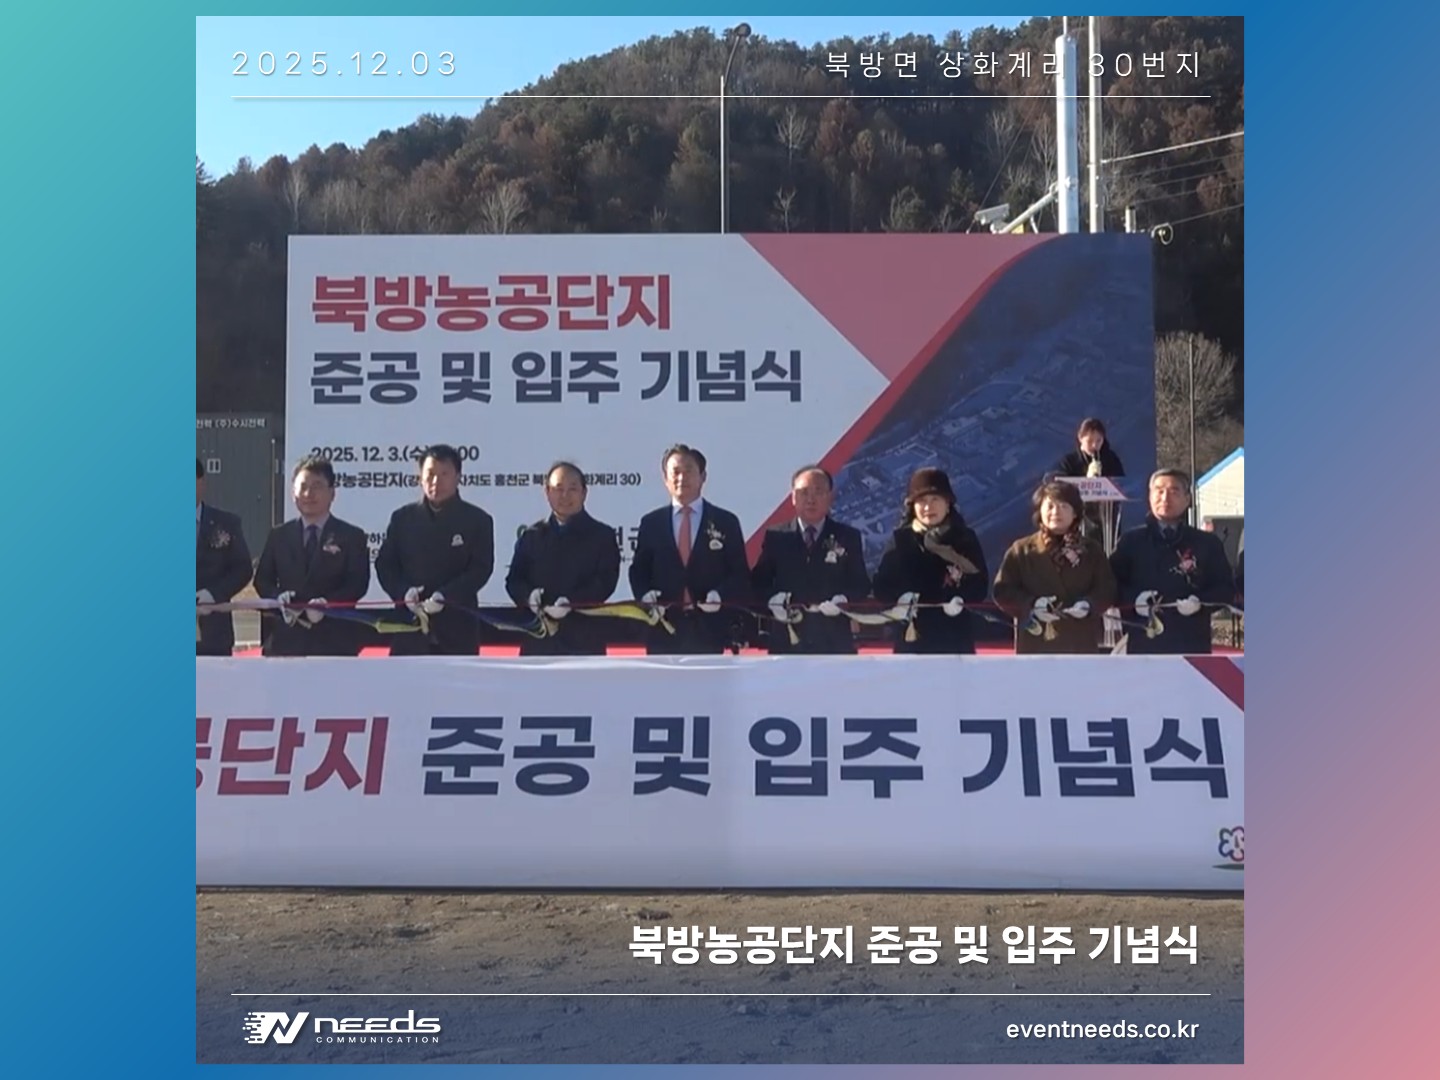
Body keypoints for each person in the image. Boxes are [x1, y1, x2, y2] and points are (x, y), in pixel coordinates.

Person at [629, 444, 750, 654]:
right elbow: (638, 571)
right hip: (663, 627)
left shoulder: (725, 521)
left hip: (710, 628)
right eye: (675, 472)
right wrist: (645, 595)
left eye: (689, 471)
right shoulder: (651, 523)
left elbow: (739, 574)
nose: (681, 478)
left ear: (703, 477)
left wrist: (720, 595)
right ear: (665, 478)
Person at [376, 444, 495, 656]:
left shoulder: (477, 520)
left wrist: (445, 596)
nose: (436, 481)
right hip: (409, 629)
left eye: (444, 474)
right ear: (420, 478)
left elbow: (480, 569)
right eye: (430, 474)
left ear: (458, 477)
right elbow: (386, 565)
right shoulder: (402, 518)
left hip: (458, 631)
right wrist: (403, 593)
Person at [252, 456, 372, 657]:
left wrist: (327, 604)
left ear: (332, 493)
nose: (308, 494)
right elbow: (262, 580)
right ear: (293, 493)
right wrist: (279, 598)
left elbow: (358, 583)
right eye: (303, 487)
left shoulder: (351, 536)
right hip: (286, 639)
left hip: (335, 639)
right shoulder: (279, 535)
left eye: (317, 487)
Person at [1109, 469, 1235, 655]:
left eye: (1174, 491)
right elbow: (1110, 584)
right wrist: (1135, 600)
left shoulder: (1207, 543)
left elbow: (1225, 588)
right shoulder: (1130, 541)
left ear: (1187, 499)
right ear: (1149, 496)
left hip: (1192, 642)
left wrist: (1200, 602)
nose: (1165, 498)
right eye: (1159, 491)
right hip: (1144, 642)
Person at [750, 465, 871, 654]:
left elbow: (861, 584)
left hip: (833, 640)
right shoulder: (777, 536)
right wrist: (773, 600)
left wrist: (844, 600)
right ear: (793, 497)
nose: (810, 499)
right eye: (804, 492)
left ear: (830, 496)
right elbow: (758, 583)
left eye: (818, 492)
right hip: (787, 639)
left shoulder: (847, 536)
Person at [505, 462, 622, 656]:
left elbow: (605, 582)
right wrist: (528, 596)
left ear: (584, 493)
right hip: (538, 639)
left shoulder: (602, 536)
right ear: (547, 492)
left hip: (585, 639)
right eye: (558, 489)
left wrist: (572, 602)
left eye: (572, 489)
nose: (565, 496)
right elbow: (514, 580)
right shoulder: (532, 535)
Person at [872, 467, 990, 654]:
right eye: (922, 501)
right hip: (912, 638)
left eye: (935, 499)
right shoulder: (901, 540)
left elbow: (980, 584)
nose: (928, 507)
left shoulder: (964, 538)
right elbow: (881, 586)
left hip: (955, 638)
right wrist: (899, 600)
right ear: (912, 506)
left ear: (948, 503)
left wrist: (961, 598)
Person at [993, 480, 1116, 655]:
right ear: (1040, 510)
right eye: (1050, 506)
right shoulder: (1021, 549)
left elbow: (1107, 588)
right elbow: (1002, 591)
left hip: (1079, 643)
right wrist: (1032, 605)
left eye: (1063, 506)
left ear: (1075, 513)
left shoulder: (1091, 550)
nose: (1056, 512)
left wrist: (1089, 605)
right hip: (1036, 643)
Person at [195, 457, 253, 657]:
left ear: (202, 482)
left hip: (213, 632)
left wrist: (213, 594)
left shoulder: (226, 523)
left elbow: (243, 569)